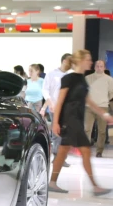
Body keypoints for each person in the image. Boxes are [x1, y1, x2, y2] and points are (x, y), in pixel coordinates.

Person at [49, 50, 113, 196]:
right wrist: (55, 123)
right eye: (88, 59)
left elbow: (88, 100)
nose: (91, 62)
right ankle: (95, 186)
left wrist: (104, 114)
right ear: (80, 61)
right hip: (70, 119)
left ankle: (52, 182)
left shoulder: (81, 79)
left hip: (76, 118)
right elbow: (60, 101)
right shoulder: (69, 78)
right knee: (84, 150)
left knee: (63, 152)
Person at [42, 53, 73, 165]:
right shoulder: (52, 74)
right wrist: (49, 103)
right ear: (64, 61)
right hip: (55, 107)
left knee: (66, 133)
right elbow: (45, 90)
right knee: (57, 133)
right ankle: (56, 157)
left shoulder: (72, 75)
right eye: (70, 61)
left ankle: (62, 157)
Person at [85, 60, 113, 158]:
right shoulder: (87, 78)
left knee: (102, 130)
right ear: (94, 67)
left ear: (104, 67)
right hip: (89, 107)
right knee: (87, 129)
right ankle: (86, 150)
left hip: (103, 106)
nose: (99, 67)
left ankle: (99, 151)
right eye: (97, 66)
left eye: (101, 66)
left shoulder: (109, 80)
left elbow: (111, 95)